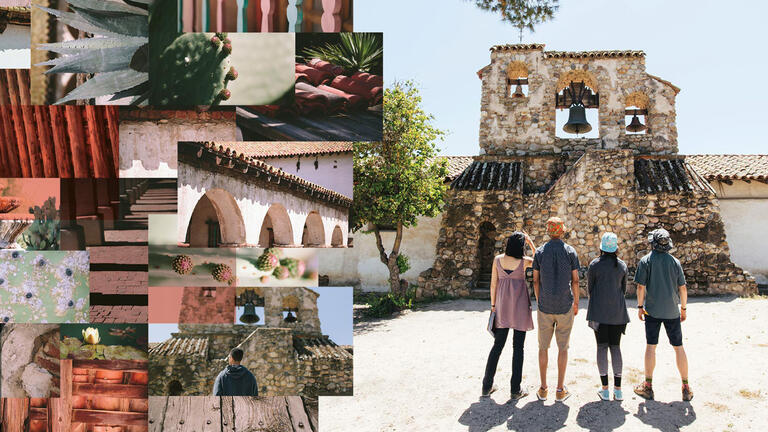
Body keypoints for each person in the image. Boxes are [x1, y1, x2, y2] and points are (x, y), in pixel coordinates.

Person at [633, 228, 693, 402]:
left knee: (651, 346)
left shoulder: (646, 261)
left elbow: (640, 287)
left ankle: (648, 385)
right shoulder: (675, 262)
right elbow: (682, 288)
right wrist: (683, 309)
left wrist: (639, 306)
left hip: (652, 310)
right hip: (672, 311)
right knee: (678, 347)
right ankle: (686, 386)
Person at [482, 232, 537, 400]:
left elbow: (493, 284)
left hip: (502, 307)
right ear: (521, 246)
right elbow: (538, 258)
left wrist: (493, 306)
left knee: (497, 346)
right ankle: (515, 390)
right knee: (518, 348)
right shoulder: (525, 261)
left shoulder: (498, 260)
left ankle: (486, 386)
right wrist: (531, 243)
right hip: (520, 307)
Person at [533, 217, 580, 402]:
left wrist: (539, 298)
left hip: (545, 305)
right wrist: (576, 302)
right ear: (562, 231)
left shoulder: (540, 252)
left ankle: (543, 388)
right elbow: (575, 280)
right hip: (564, 304)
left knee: (543, 348)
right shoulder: (570, 251)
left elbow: (535, 280)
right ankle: (560, 389)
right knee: (563, 348)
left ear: (548, 231)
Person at [586, 232, 630, 402]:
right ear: (616, 247)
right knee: (616, 347)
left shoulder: (594, 265)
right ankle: (618, 390)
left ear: (602, 248)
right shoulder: (622, 266)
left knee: (602, 347)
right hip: (618, 313)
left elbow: (590, 288)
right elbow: (624, 290)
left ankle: (605, 389)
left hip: (599, 312)